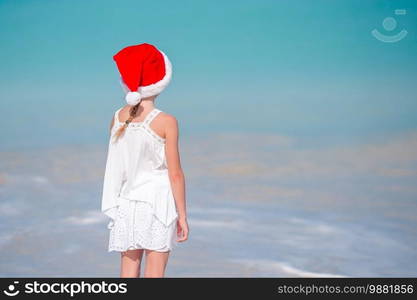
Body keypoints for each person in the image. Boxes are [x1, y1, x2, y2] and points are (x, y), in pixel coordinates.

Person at [101, 43, 189, 278]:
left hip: (127, 204)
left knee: (127, 275)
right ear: (162, 81)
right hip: (157, 204)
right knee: (154, 275)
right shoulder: (166, 121)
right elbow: (175, 173)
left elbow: (118, 164)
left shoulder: (118, 118)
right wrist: (182, 215)